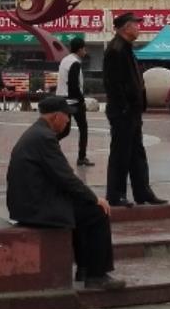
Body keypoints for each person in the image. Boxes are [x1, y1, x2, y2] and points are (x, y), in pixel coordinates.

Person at [8, 96, 124, 289]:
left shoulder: (38, 133)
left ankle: (85, 268)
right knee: (96, 212)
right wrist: (95, 199)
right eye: (66, 117)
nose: (68, 121)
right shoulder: (44, 138)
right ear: (55, 117)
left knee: (80, 207)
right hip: (35, 207)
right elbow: (66, 177)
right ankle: (96, 275)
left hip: (29, 202)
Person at [102, 13, 167, 207]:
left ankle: (143, 192)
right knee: (120, 153)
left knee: (137, 152)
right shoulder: (115, 50)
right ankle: (115, 195)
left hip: (132, 111)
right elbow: (112, 84)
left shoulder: (127, 48)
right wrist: (123, 107)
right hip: (123, 111)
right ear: (126, 27)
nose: (139, 28)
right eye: (136, 25)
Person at [55, 37, 94, 166]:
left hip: (62, 99)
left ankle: (48, 144)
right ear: (80, 49)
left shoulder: (65, 60)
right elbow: (73, 84)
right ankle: (81, 157)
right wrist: (81, 100)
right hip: (73, 101)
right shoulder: (75, 63)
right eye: (84, 48)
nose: (85, 51)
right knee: (83, 128)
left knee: (65, 130)